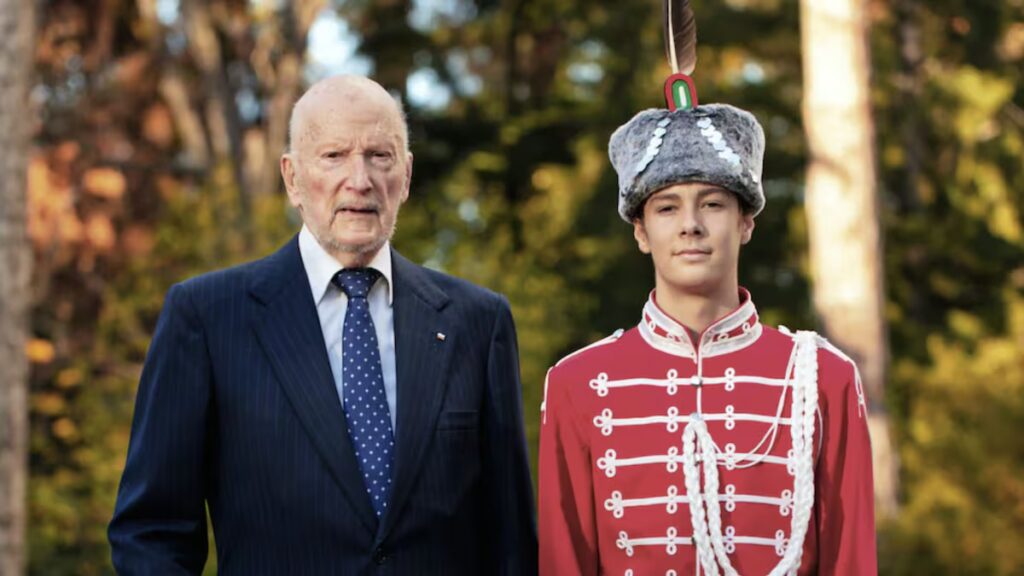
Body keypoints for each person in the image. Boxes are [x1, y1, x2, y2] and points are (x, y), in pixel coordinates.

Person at [109, 75, 537, 575]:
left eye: (380, 156)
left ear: (406, 175)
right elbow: (150, 535)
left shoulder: (477, 323)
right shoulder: (207, 318)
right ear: (292, 177)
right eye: (334, 155)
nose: (360, 179)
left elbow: (511, 542)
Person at [537, 103, 877, 575]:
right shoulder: (576, 382)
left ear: (746, 222)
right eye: (667, 207)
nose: (690, 225)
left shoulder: (824, 378)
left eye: (713, 204)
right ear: (640, 231)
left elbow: (851, 561)